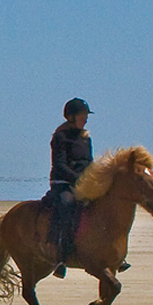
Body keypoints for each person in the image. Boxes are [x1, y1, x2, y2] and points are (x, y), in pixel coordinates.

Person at [48, 97, 95, 278]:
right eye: (82, 116)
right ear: (71, 117)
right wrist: (77, 179)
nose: (85, 119)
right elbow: (59, 165)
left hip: (83, 184)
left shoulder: (85, 138)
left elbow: (89, 162)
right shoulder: (60, 137)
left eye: (86, 116)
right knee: (67, 205)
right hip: (63, 184)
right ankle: (61, 256)